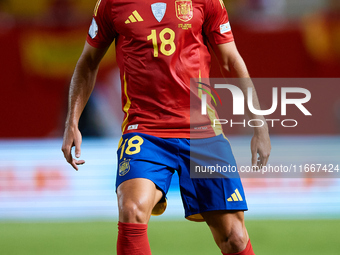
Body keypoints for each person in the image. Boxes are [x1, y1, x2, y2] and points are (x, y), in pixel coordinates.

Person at [61, 0, 271, 254]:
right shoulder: (112, 4)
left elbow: (230, 61)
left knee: (234, 238)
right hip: (144, 131)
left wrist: (259, 124)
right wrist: (72, 121)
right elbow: (88, 62)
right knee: (131, 209)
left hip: (202, 132)